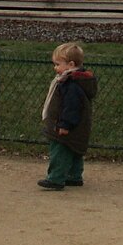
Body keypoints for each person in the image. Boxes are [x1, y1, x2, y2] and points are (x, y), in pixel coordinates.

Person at [38, 41, 98, 191]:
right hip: (78, 126)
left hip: (65, 125)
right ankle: (74, 176)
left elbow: (71, 107)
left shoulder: (71, 84)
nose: (55, 68)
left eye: (58, 64)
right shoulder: (76, 81)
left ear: (71, 65)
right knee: (75, 150)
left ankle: (55, 178)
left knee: (60, 151)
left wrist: (65, 124)